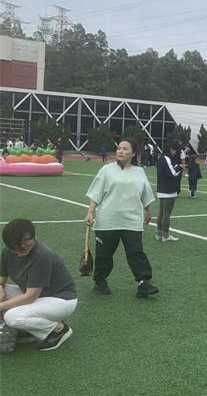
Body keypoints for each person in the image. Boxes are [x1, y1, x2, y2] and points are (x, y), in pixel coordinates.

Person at [85, 138, 159, 298]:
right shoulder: (107, 170)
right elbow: (96, 193)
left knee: (136, 252)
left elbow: (145, 193)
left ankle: (143, 283)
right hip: (108, 220)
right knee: (104, 254)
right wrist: (90, 212)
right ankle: (100, 281)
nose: (121, 151)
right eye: (119, 148)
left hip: (132, 220)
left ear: (133, 153)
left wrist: (148, 211)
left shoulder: (139, 172)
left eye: (125, 149)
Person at [0, 219, 78, 351]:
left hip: (61, 299)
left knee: (12, 317)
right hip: (37, 296)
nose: (24, 245)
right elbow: (1, 279)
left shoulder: (42, 256)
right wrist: (1, 295)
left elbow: (30, 297)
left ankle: (58, 329)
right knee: (8, 306)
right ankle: (28, 330)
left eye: (28, 239)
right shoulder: (7, 252)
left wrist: (1, 306)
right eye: (19, 243)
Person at [156, 141, 183, 242]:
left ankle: (159, 234)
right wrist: (180, 167)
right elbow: (173, 173)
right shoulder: (166, 158)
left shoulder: (161, 158)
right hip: (168, 189)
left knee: (161, 212)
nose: (175, 153)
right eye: (175, 151)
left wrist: (177, 167)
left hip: (162, 188)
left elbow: (169, 171)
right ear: (171, 149)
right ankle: (165, 236)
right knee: (166, 213)